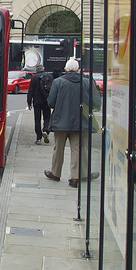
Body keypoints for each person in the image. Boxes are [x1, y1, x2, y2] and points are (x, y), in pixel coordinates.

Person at [44, 58, 101, 188]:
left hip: (61, 121)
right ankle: (76, 177)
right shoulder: (87, 82)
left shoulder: (58, 82)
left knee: (58, 148)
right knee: (79, 149)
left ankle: (55, 173)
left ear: (65, 70)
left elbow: (50, 102)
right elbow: (97, 102)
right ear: (79, 70)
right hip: (82, 122)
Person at [27, 64, 53, 144]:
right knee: (47, 117)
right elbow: (52, 89)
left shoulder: (34, 78)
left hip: (37, 101)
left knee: (37, 119)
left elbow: (30, 91)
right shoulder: (49, 76)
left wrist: (29, 102)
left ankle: (38, 138)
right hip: (46, 100)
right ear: (43, 69)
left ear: (36, 70)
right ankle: (46, 130)